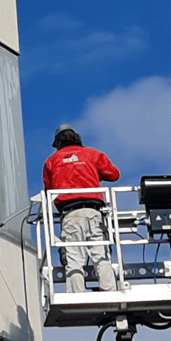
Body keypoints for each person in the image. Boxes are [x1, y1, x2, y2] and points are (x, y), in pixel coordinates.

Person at [43, 124, 119, 293]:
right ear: (77, 138)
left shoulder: (52, 161)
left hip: (70, 214)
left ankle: (77, 294)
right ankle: (110, 291)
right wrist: (90, 172)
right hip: (94, 212)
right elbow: (113, 175)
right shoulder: (92, 154)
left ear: (57, 143)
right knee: (101, 256)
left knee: (74, 258)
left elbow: (49, 192)